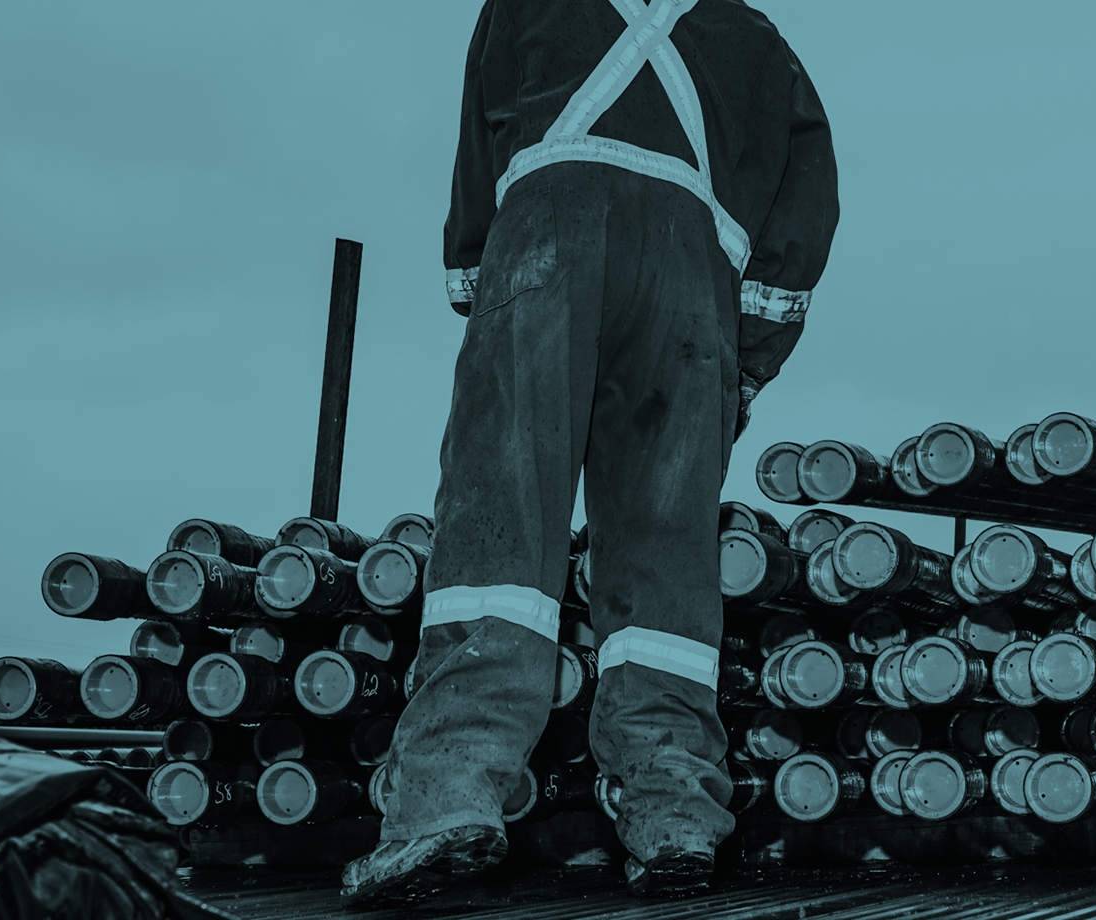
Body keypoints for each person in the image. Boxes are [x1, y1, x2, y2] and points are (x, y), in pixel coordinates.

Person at [341, 0, 837, 905]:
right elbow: (808, 206)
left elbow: (478, 144)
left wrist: (483, 286)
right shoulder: (758, 39)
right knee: (665, 557)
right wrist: (744, 367)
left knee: (500, 530)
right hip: (695, 286)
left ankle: (449, 797)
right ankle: (675, 814)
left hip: (548, 239)